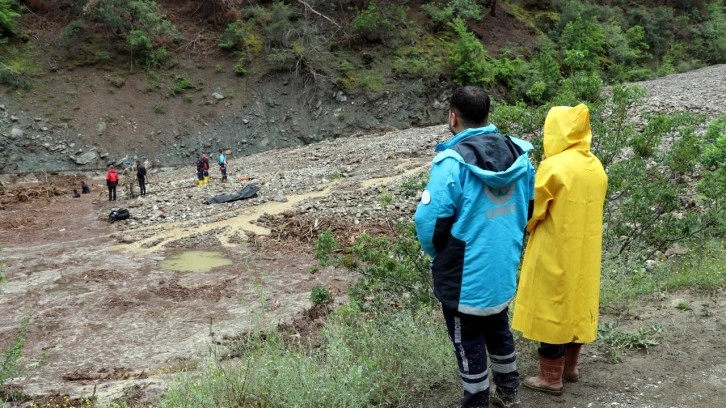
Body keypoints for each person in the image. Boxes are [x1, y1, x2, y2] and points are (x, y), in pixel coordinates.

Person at [414, 86, 535, 408]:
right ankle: (509, 392)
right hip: (503, 262)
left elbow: (429, 223)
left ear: (453, 117)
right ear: (488, 115)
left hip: (464, 271)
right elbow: (530, 207)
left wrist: (440, 254)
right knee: (498, 325)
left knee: (466, 339)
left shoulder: (451, 163)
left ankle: (476, 401)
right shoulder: (519, 154)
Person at [511, 104, 608, 396]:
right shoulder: (595, 165)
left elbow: (533, 211)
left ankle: (550, 378)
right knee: (576, 304)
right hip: (585, 251)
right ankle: (570, 367)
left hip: (555, 248)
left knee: (551, 308)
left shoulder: (554, 166)